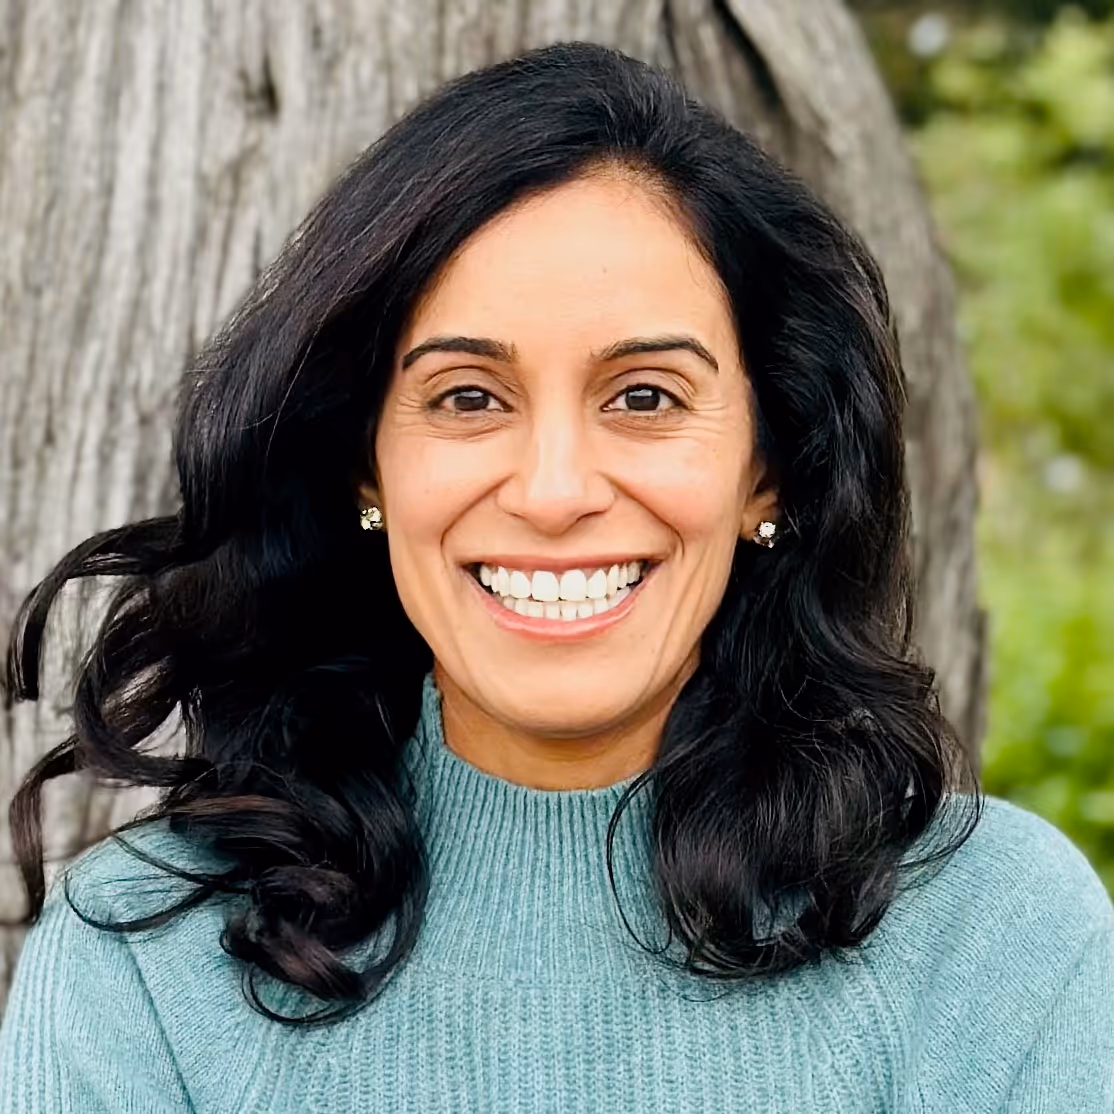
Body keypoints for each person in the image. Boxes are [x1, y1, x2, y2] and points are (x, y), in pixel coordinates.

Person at [0, 39, 1111, 1113]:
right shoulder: (144, 972)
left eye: (645, 397)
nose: (553, 491)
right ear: (365, 466)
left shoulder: (996, 941)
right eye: (468, 398)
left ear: (767, 470)